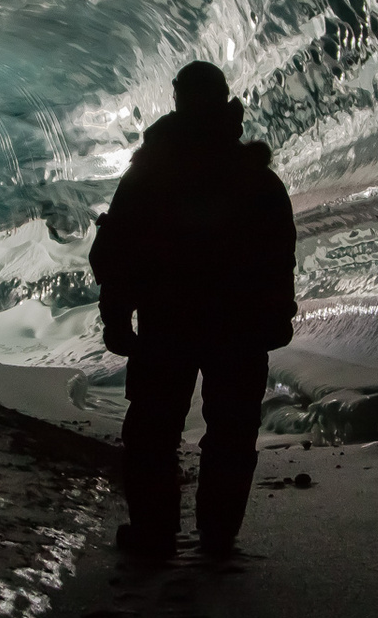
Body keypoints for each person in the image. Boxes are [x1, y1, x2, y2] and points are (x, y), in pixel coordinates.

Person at [89, 61, 297, 559]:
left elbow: (119, 248)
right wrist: (277, 314)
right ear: (224, 101)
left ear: (180, 100)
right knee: (231, 431)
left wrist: (116, 315)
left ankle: (155, 533)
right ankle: (218, 536)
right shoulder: (254, 175)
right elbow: (278, 250)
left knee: (154, 430)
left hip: (170, 321)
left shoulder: (152, 170)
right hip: (238, 326)